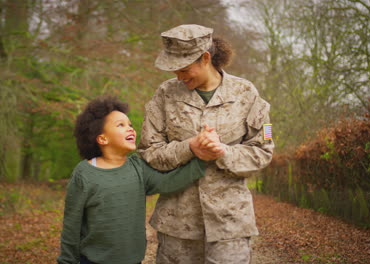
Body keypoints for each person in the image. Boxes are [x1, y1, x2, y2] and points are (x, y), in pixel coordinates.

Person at [138, 24, 275, 264]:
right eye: (174, 70)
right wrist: (189, 147)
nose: (178, 76)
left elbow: (263, 150)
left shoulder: (246, 93)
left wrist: (223, 152)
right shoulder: (165, 94)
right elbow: (149, 151)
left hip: (230, 223)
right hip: (177, 224)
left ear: (205, 58)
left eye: (184, 69)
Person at [57, 95, 219, 264]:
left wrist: (201, 159)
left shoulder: (137, 167)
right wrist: (67, 260)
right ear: (102, 138)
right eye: (121, 125)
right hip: (92, 260)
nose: (130, 129)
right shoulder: (84, 174)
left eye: (130, 125)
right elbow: (72, 224)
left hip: (132, 260)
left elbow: (167, 182)